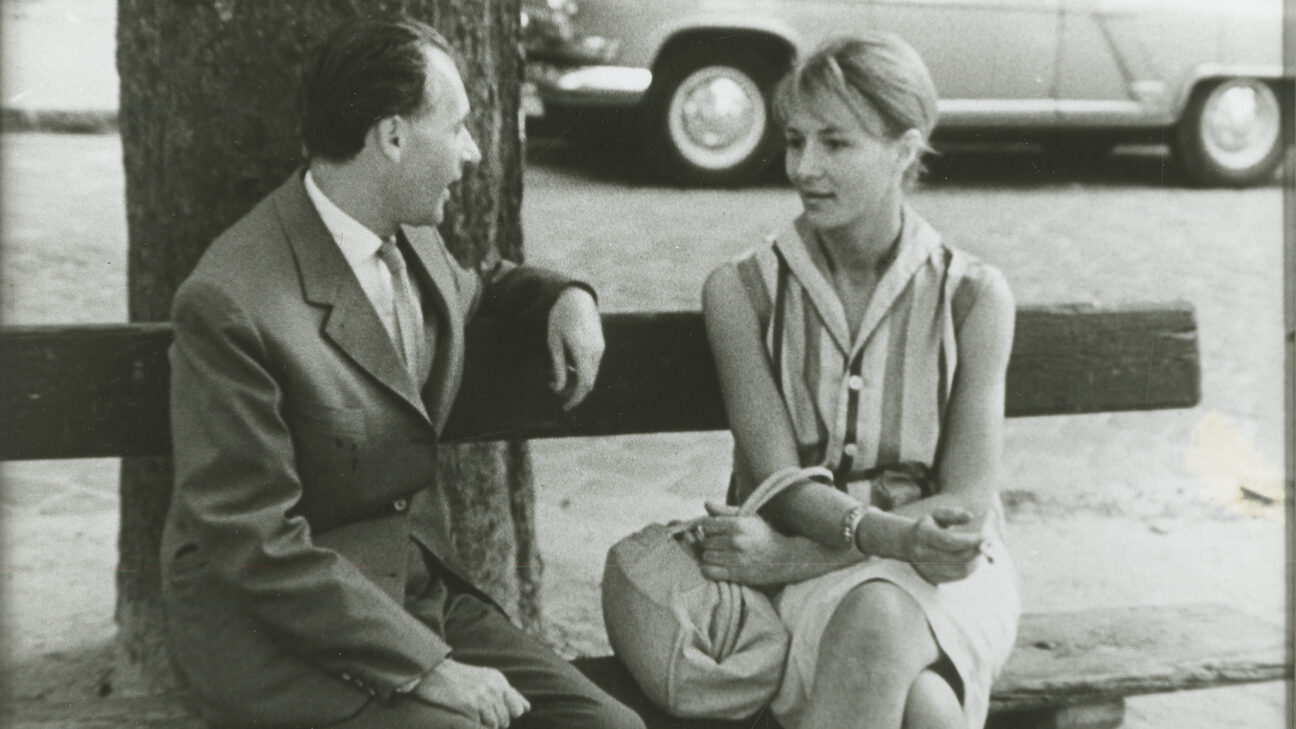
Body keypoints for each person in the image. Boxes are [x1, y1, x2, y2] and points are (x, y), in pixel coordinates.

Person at [161, 18, 644, 729]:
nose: (472, 151)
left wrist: (563, 297)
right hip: (279, 632)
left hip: (410, 592)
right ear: (392, 137)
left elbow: (480, 285)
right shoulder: (232, 300)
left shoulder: (407, 235)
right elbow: (256, 545)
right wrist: (430, 667)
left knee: (608, 726)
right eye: (458, 127)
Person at [696, 34, 1020, 729]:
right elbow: (779, 485)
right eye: (795, 141)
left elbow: (965, 502)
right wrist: (879, 540)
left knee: (880, 617)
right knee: (925, 706)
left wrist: (797, 557)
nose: (804, 167)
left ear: (905, 151)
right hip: (805, 587)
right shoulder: (741, 292)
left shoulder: (973, 296)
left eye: (836, 143)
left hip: (942, 574)